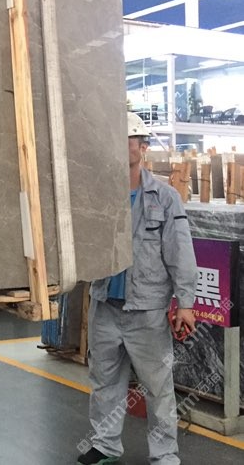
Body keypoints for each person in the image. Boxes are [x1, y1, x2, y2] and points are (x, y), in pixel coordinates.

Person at [77, 112, 198, 465]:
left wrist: (185, 303)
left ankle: (164, 455)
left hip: (146, 310)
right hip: (104, 304)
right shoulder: (100, 197)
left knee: (158, 387)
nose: (119, 145)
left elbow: (180, 252)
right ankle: (105, 445)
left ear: (143, 147)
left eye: (127, 138)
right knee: (104, 381)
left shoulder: (165, 197)